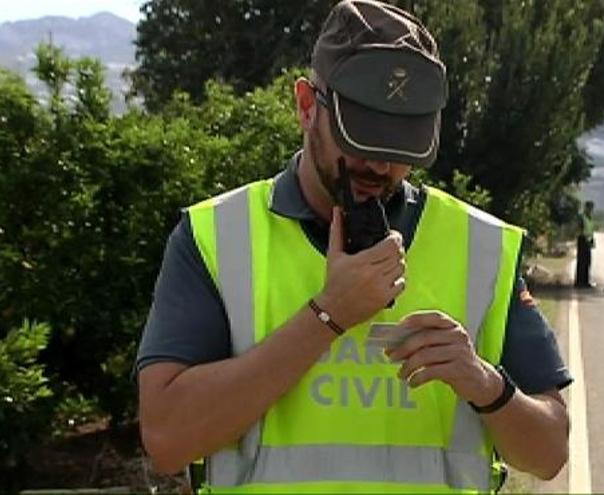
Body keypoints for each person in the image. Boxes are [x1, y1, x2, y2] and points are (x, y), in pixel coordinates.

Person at [136, 1, 571, 492]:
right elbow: (167, 438)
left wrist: (487, 385)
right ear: (305, 104)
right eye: (362, 135)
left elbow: (550, 453)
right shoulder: (215, 236)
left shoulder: (485, 246)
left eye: (401, 144)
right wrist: (327, 316)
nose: (381, 165)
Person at [575, 200, 595, 287]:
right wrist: (585, 238)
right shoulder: (582, 217)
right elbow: (579, 229)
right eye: (589, 207)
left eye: (592, 208)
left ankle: (586, 281)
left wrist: (592, 240)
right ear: (586, 207)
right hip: (582, 240)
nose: (591, 209)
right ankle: (579, 282)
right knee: (582, 262)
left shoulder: (590, 217)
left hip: (588, 240)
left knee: (587, 262)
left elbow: (590, 230)